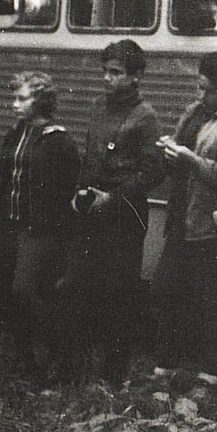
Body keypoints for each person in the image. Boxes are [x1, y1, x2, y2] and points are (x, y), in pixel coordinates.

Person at [71, 39, 164, 384]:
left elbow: (153, 172)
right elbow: (90, 155)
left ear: (136, 77)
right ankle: (81, 367)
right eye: (105, 72)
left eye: (116, 73)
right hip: (91, 211)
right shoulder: (98, 107)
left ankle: (115, 373)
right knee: (83, 287)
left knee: (119, 293)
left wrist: (113, 197)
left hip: (124, 215)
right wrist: (78, 192)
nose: (107, 79)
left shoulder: (146, 117)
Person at [0, 71, 80, 384]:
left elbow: (65, 193)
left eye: (22, 99)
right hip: (9, 226)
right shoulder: (16, 134)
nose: (15, 105)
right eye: (15, 98)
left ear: (41, 102)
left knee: (25, 290)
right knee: (9, 295)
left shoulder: (59, 142)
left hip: (39, 231)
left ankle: (62, 356)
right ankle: (26, 361)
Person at [154, 52, 217, 381]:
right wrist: (169, 153)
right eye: (198, 88)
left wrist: (190, 159)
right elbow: (180, 152)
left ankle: (212, 374)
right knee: (166, 289)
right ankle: (167, 366)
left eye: (206, 90)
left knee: (211, 299)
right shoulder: (195, 112)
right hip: (182, 215)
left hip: (211, 224)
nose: (199, 95)